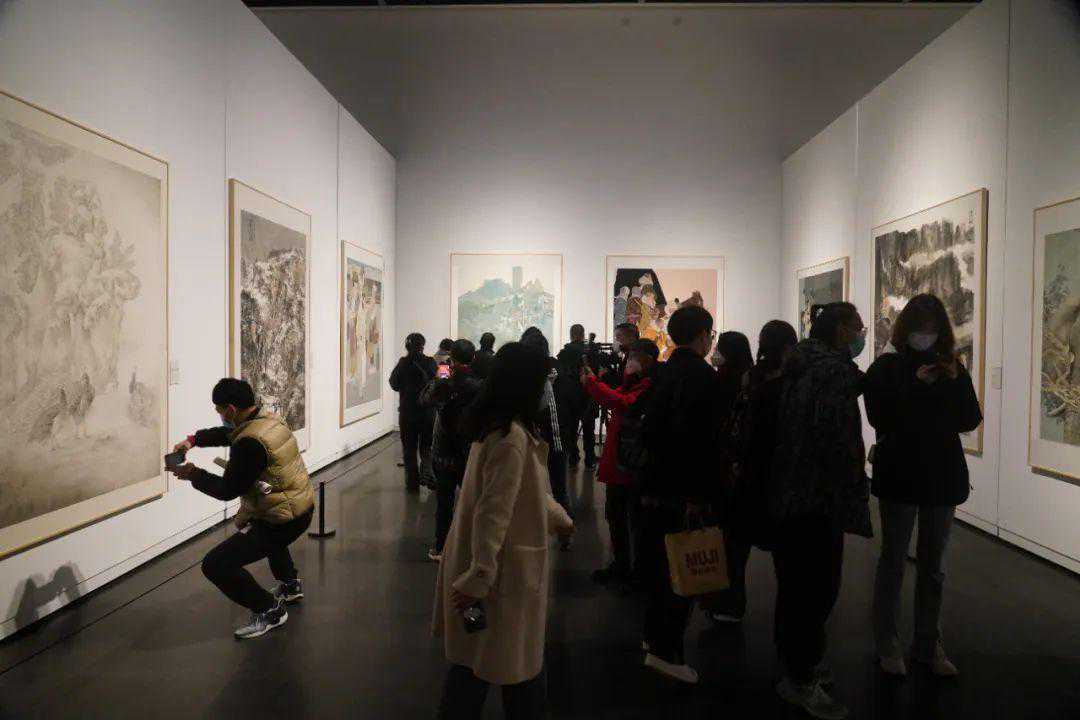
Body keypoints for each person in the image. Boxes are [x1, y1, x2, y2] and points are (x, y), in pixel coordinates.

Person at [433, 342, 574, 719]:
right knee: (514, 670)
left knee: (478, 666)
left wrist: (560, 518)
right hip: (501, 575)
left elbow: (523, 492)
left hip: (494, 568)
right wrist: (480, 576)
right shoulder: (511, 438)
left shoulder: (497, 428)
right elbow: (492, 513)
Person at [864, 294, 982, 678]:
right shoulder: (887, 367)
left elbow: (970, 418)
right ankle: (887, 641)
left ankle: (928, 643)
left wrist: (953, 382)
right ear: (907, 330)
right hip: (901, 473)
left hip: (941, 476)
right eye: (919, 329)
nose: (925, 336)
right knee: (894, 560)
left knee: (933, 567)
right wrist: (914, 386)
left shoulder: (951, 367)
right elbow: (880, 416)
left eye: (931, 330)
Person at [769, 302, 871, 720]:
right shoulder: (832, 373)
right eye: (858, 328)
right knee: (817, 587)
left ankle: (797, 665)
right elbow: (832, 440)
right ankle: (801, 676)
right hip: (818, 496)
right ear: (842, 331)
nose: (862, 335)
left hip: (790, 493)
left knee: (796, 586)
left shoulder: (799, 364)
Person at [168, 378, 314, 639]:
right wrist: (193, 440)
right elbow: (228, 434)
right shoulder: (268, 420)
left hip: (283, 520)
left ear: (231, 410)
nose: (219, 415)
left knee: (216, 564)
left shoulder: (249, 444)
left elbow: (227, 490)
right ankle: (290, 586)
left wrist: (193, 474)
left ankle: (269, 610)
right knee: (268, 531)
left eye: (219, 410)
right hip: (299, 507)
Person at [638, 305, 719, 684]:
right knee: (681, 571)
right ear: (702, 335)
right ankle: (665, 650)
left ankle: (653, 636)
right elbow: (704, 443)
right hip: (684, 491)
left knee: (656, 566)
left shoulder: (663, 372)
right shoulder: (704, 378)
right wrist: (701, 495)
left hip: (654, 485)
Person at [582, 337, 658, 588]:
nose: (628, 360)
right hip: (621, 461)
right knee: (616, 515)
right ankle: (622, 565)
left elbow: (622, 402)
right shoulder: (635, 383)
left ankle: (635, 570)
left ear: (647, 359)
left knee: (631, 519)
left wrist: (594, 383)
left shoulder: (649, 385)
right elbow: (618, 397)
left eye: (633, 355)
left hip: (630, 463)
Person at [703, 331, 754, 624]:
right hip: (742, 471)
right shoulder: (752, 380)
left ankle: (722, 599)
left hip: (723, 468)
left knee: (722, 538)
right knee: (736, 543)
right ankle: (731, 600)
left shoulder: (721, 380)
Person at [422, 339, 484, 562]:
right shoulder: (478, 385)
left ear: (452, 358)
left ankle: (440, 547)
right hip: (469, 450)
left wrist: (441, 374)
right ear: (473, 358)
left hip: (444, 451)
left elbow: (425, 399)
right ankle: (472, 549)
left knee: (444, 502)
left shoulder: (446, 380)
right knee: (473, 502)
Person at [521, 328, 573, 543]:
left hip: (536, 439)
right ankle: (565, 533)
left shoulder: (527, 375)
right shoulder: (557, 369)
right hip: (557, 438)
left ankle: (532, 536)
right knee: (560, 488)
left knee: (529, 488)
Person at [390, 333, 438, 493]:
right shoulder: (430, 362)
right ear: (423, 345)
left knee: (409, 450)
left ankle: (412, 484)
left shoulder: (403, 363)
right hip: (427, 413)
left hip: (408, 413)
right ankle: (428, 474)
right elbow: (440, 381)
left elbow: (394, 384)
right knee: (426, 447)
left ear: (407, 345)